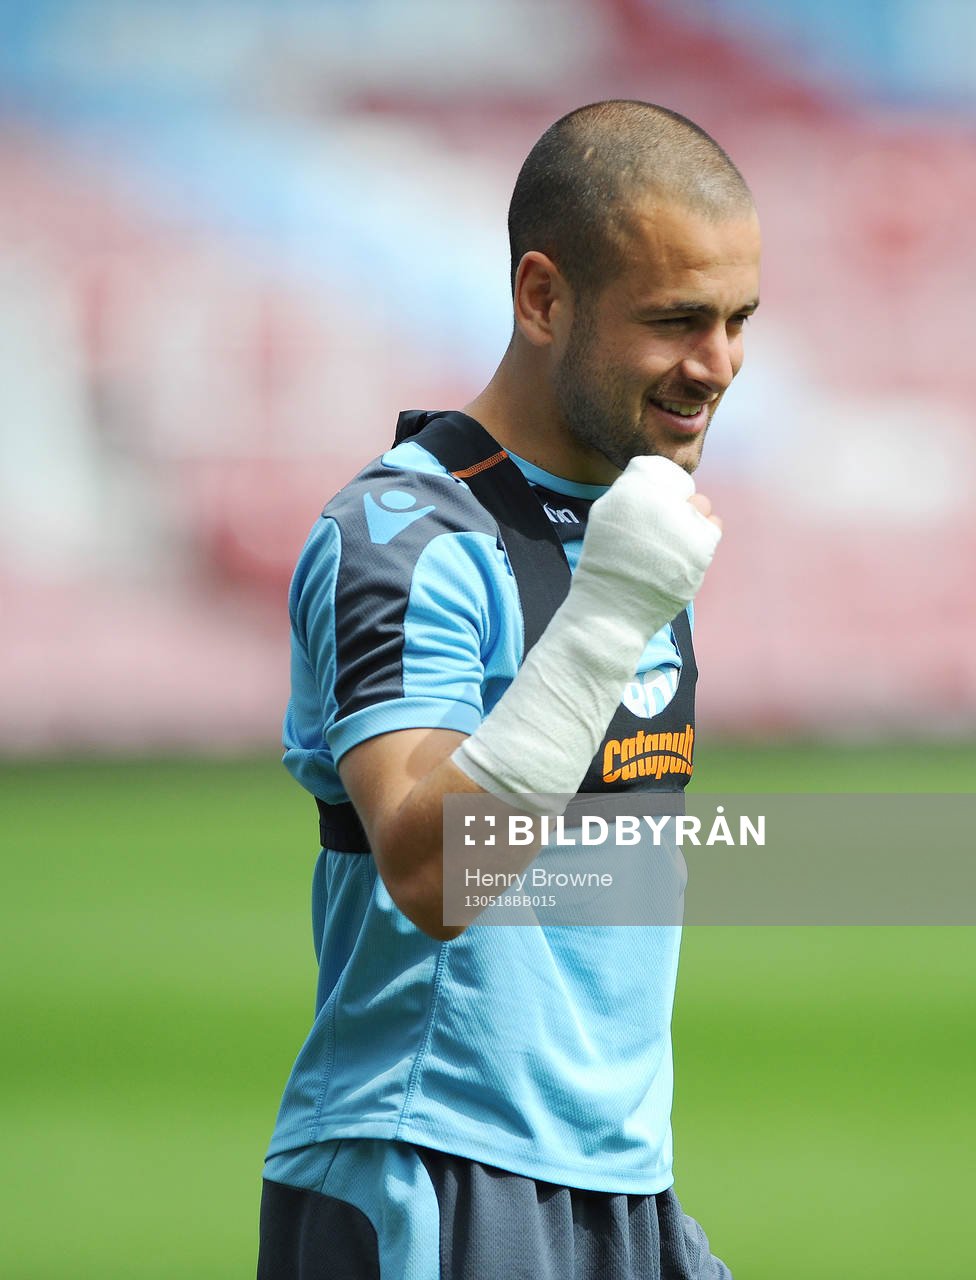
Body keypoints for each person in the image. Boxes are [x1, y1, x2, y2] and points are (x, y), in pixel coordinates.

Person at [258, 99, 761, 1279]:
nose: (719, 365)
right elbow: (434, 874)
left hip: (621, 1192)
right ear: (542, 297)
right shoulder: (402, 532)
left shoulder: (629, 527)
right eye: (678, 321)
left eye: (740, 319)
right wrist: (610, 612)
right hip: (435, 1178)